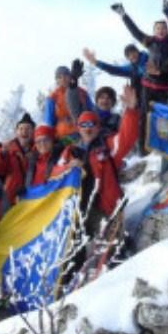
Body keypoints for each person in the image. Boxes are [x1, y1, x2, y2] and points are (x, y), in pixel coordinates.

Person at [57, 85, 140, 238]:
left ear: (98, 127)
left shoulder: (107, 146)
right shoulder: (70, 151)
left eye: (92, 124)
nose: (88, 128)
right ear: (78, 128)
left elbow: (126, 138)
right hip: (77, 209)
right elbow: (54, 176)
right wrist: (68, 167)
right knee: (77, 250)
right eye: (84, 125)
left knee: (108, 250)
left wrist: (131, 111)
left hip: (105, 208)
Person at [112, 2, 168, 147]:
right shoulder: (150, 42)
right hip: (148, 86)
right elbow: (135, 32)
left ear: (167, 30)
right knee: (143, 117)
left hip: (163, 88)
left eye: (163, 28)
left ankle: (161, 146)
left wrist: (160, 72)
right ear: (154, 31)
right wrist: (124, 15)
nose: (160, 31)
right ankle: (143, 149)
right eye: (157, 28)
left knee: (162, 118)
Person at [0, 112, 36, 205]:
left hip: (34, 196)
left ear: (33, 132)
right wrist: (2, 154)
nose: (24, 131)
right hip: (11, 198)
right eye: (21, 129)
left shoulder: (38, 149)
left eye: (28, 129)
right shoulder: (8, 150)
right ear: (16, 132)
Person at [44, 60, 94, 141]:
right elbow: (49, 121)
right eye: (59, 77)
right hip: (64, 136)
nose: (63, 78)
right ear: (56, 80)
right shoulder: (52, 97)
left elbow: (91, 111)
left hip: (84, 131)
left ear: (70, 76)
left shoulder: (82, 93)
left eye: (66, 75)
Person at [83, 44, 148, 95]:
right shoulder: (132, 69)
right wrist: (96, 62)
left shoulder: (149, 58)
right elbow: (114, 70)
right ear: (128, 59)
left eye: (133, 52)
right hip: (144, 97)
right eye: (129, 55)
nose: (132, 56)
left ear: (138, 52)